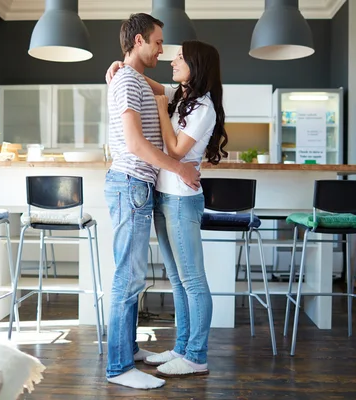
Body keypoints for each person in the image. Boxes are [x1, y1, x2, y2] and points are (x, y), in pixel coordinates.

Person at [106, 40, 229, 378]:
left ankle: (196, 356)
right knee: (176, 279)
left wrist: (161, 110)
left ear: (197, 65)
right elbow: (150, 83)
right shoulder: (183, 97)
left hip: (181, 200)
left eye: (179, 58)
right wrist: (121, 68)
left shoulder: (203, 107)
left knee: (192, 280)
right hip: (163, 195)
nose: (172, 61)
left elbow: (174, 150)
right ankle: (182, 347)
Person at [103, 13, 201, 390]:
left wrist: (119, 65)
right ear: (140, 40)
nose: (163, 49)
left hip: (135, 185)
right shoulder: (127, 82)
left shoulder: (133, 80)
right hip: (130, 183)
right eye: (158, 42)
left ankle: (126, 350)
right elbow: (135, 145)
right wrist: (179, 168)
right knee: (128, 279)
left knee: (132, 277)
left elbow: (162, 91)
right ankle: (118, 367)